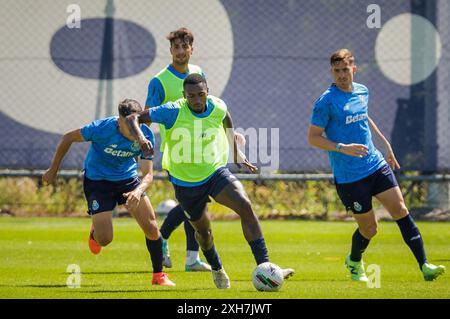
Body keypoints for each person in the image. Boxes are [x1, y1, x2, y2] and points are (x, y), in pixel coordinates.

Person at [127, 73, 294, 289]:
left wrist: (236, 154)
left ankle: (266, 267)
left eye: (201, 94)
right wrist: (142, 139)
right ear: (184, 95)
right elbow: (133, 118)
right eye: (191, 96)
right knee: (203, 234)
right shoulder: (173, 111)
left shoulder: (217, 106)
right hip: (185, 182)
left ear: (208, 93)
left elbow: (227, 119)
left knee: (245, 205)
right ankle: (216, 267)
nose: (196, 100)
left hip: (214, 171)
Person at [308, 48, 445, 282]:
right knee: (370, 229)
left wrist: (385, 145)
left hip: (375, 164)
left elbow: (364, 117)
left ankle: (424, 265)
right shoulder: (326, 102)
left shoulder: (362, 91)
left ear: (354, 69)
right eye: (337, 70)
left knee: (400, 209)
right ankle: (354, 260)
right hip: (350, 176)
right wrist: (343, 147)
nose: (341, 75)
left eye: (345, 69)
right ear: (332, 71)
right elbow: (313, 137)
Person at [42, 99, 175, 286]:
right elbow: (68, 137)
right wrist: (53, 169)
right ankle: (95, 231)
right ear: (118, 121)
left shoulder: (145, 136)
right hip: (98, 181)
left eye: (133, 125)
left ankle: (158, 276)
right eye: (124, 124)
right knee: (104, 239)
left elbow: (148, 175)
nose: (129, 130)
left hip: (127, 180)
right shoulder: (101, 128)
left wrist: (138, 191)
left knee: (152, 227)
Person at [145, 27, 209, 272]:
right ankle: (162, 239)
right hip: (177, 153)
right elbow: (148, 115)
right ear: (171, 50)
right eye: (176, 47)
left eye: (185, 46)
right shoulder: (160, 81)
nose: (181, 51)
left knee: (197, 205)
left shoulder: (198, 73)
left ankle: (192, 259)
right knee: (192, 204)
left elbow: (206, 106)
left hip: (201, 151)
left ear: (192, 49)